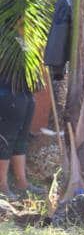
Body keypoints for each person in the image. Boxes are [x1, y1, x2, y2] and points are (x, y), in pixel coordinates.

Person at [0, 70, 44, 200]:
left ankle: (21, 182)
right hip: (5, 89)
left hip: (25, 90)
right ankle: (2, 185)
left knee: (21, 138)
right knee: (6, 139)